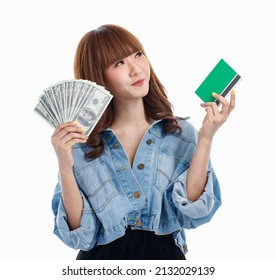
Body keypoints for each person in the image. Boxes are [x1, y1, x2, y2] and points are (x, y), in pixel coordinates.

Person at [51, 24, 235, 260]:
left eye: (138, 55)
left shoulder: (179, 133)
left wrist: (206, 137)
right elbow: (80, 236)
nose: (136, 69)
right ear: (98, 76)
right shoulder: (81, 144)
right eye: (119, 63)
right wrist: (65, 167)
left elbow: (193, 209)